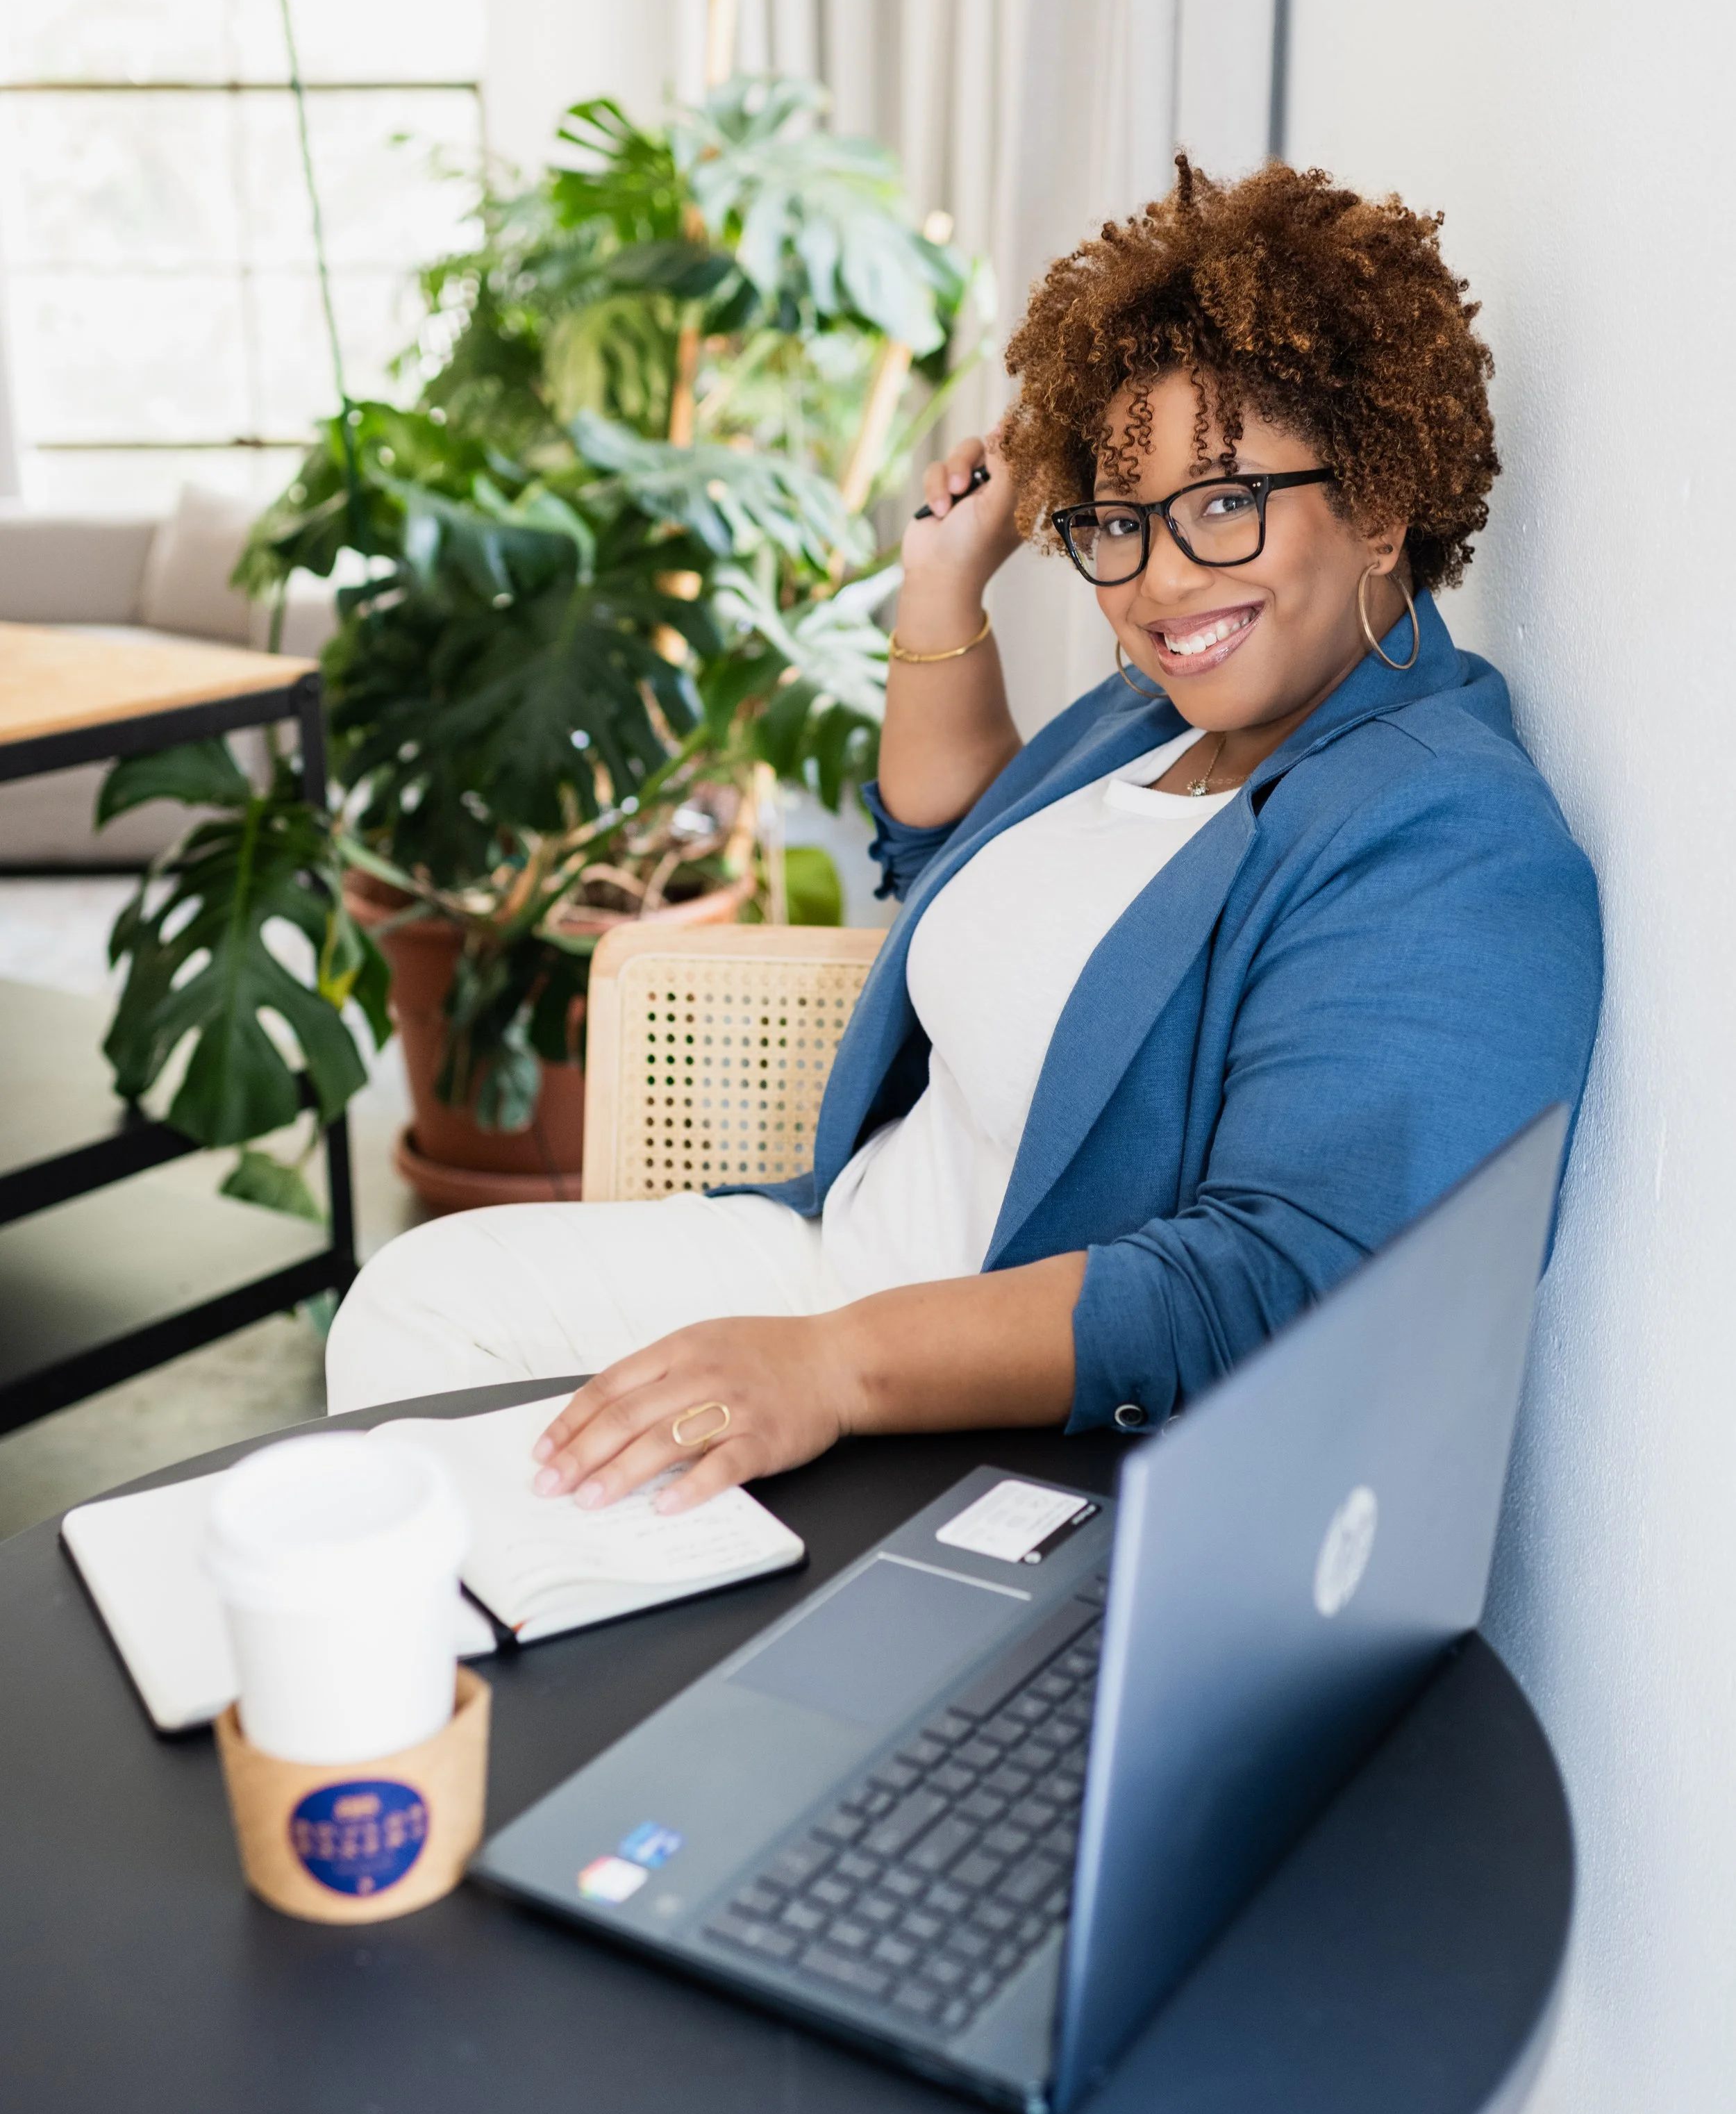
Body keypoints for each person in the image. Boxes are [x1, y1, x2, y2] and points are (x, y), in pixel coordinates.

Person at [326, 158, 1603, 1520]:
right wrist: (941, 573)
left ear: (1380, 500)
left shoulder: (1445, 836)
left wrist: (833, 1365)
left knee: (497, 1493)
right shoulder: (1153, 721)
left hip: (973, 1400)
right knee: (417, 1309)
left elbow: (1273, 1286)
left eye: (1222, 500)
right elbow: (958, 860)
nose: (1162, 577)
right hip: (829, 1250)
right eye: (1117, 518)